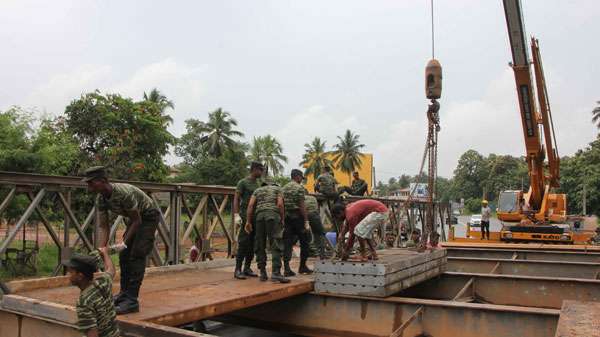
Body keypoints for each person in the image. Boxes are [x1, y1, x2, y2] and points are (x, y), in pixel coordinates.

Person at [83, 166, 159, 314]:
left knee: (137, 254)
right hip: (134, 219)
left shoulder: (123, 193)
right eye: (88, 183)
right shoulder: (101, 198)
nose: (89, 185)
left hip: (148, 216)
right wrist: (102, 248)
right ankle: (124, 293)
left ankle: (131, 300)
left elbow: (137, 220)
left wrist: (124, 243)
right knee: (124, 255)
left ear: (103, 181)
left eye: (92, 182)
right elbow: (104, 226)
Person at [64, 247, 119, 337]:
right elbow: (111, 270)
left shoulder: (84, 302)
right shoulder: (103, 282)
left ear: (80, 276)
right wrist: (105, 253)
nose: (68, 274)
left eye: (71, 272)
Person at [245, 178, 290, 283]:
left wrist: (248, 221)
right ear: (274, 183)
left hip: (259, 217)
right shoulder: (278, 189)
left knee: (260, 244)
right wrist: (282, 219)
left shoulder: (257, 190)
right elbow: (279, 204)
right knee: (275, 243)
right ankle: (276, 273)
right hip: (273, 215)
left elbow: (251, 205)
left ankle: (263, 273)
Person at [233, 162, 264, 279]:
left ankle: (247, 267)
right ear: (254, 169)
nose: (262, 172)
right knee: (243, 242)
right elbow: (236, 199)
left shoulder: (258, 184)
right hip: (246, 216)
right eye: (261, 170)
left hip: (256, 216)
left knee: (253, 243)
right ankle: (237, 269)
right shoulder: (243, 182)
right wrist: (236, 215)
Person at [283, 169, 312, 276]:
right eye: (301, 178)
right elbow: (302, 205)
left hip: (287, 217)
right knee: (305, 241)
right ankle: (302, 267)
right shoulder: (299, 188)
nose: (301, 180)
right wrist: (306, 220)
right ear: (297, 176)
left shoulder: (284, 188)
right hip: (298, 217)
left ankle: (286, 268)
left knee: (287, 243)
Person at [304, 190, 327, 260]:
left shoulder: (301, 198)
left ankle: (309, 252)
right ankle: (322, 254)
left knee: (304, 234)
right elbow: (317, 208)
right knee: (320, 234)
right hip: (314, 215)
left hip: (304, 216)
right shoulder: (313, 198)